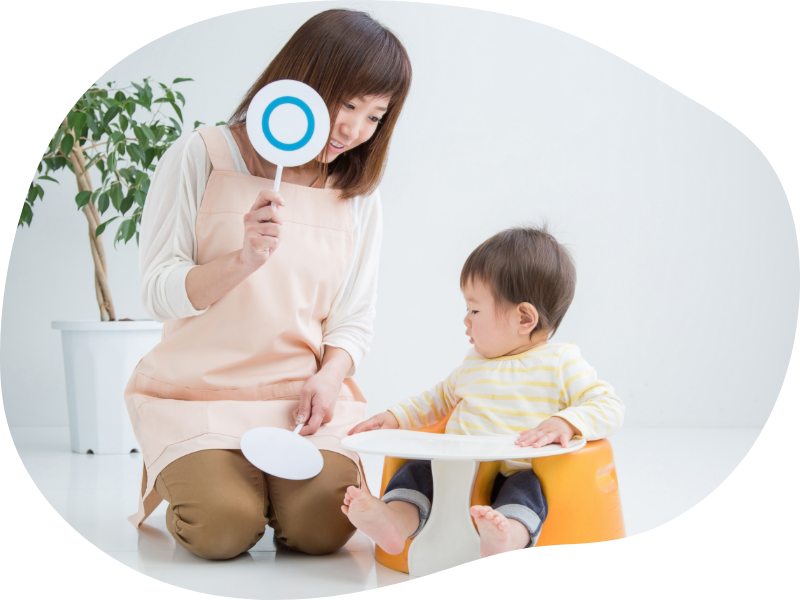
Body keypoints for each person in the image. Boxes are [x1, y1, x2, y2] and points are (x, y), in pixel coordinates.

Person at [125, 9, 412, 559]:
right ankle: (208, 476)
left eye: (375, 116)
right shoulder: (202, 155)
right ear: (303, 78)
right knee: (221, 527)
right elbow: (158, 290)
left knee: (325, 528)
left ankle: (271, 491)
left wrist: (330, 376)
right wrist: (242, 260)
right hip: (198, 396)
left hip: (298, 404)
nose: (353, 130)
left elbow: (354, 317)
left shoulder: (357, 194)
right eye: (347, 103)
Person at [342, 226, 625, 557]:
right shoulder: (474, 364)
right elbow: (435, 400)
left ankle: (506, 537)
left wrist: (567, 422)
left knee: (526, 493)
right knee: (415, 471)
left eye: (474, 310)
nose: (466, 320)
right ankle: (395, 522)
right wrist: (394, 418)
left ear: (524, 318)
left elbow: (609, 405)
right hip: (454, 468)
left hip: (518, 469)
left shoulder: (560, 362)